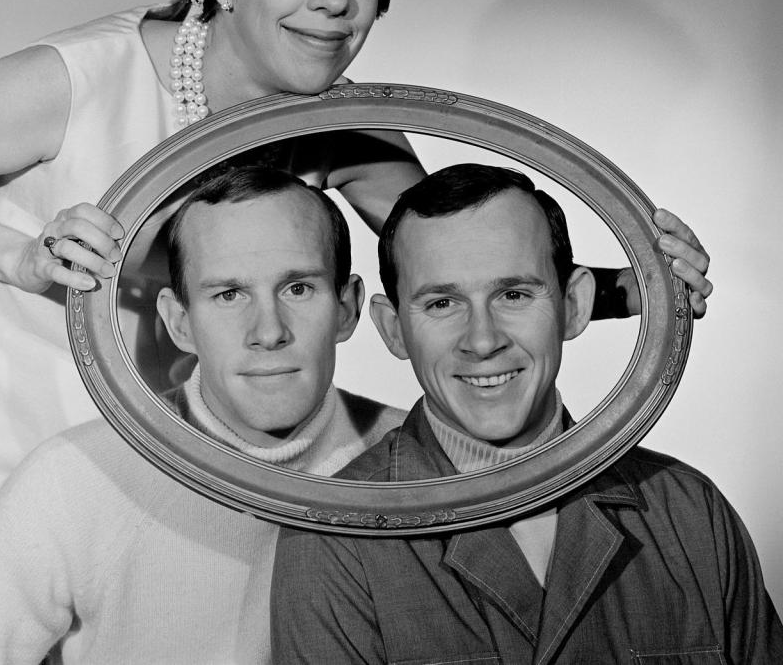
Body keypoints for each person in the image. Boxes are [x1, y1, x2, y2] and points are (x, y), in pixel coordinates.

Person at [0, 0, 710, 662]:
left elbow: (457, 271)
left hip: (208, 476)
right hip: (28, 447)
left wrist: (645, 288)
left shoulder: (348, 124)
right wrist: (25, 259)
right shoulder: (75, 81)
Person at [272, 164, 779, 664]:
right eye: (443, 303)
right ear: (393, 328)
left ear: (575, 305)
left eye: (513, 295)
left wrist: (654, 281)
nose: (483, 340)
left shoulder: (691, 513)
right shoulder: (334, 542)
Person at [0, 167, 406, 664]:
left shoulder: (421, 465)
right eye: (228, 295)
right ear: (180, 323)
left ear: (347, 307)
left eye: (297, 288)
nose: (268, 331)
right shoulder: (75, 478)